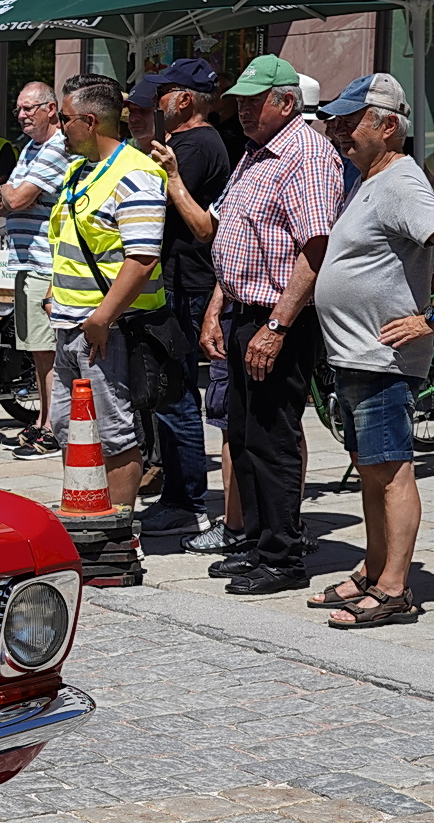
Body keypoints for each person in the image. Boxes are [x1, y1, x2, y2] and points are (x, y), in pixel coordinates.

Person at [184, 55, 344, 595]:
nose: (244, 112)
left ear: (287, 102)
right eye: (241, 103)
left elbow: (316, 248)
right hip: (245, 310)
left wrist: (276, 327)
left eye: (255, 102)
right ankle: (255, 543)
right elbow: (233, 235)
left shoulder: (306, 154)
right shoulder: (256, 152)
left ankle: (282, 556)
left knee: (273, 439)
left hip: (280, 316)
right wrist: (217, 307)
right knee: (245, 435)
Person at [308, 73, 430, 628]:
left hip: (383, 359)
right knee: (371, 471)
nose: (338, 130)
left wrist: (429, 320)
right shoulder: (368, 179)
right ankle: (374, 569)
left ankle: (395, 590)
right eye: (334, 121)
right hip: (355, 355)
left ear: (387, 126)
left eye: (350, 121)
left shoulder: (402, 182)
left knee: (391, 471)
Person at [46, 74, 168, 515]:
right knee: (69, 428)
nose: (60, 128)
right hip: (70, 322)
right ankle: (84, 511)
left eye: (65, 119)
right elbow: (68, 241)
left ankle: (118, 530)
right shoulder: (80, 170)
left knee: (113, 433)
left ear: (91, 121)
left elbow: (142, 259)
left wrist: (102, 318)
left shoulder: (135, 175)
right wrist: (53, 294)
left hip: (107, 329)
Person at [140, 59, 232, 541]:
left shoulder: (195, 145)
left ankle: (186, 500)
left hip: (189, 284)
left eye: (163, 94)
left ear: (185, 99)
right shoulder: (187, 143)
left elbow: (171, 208)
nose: (156, 104)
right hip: (179, 280)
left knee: (175, 391)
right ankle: (179, 493)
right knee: (169, 390)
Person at [0, 81, 74, 461]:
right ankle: (44, 419)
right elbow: (4, 202)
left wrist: (10, 193)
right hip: (28, 261)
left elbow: (15, 197)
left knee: (48, 351)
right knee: (38, 352)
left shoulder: (57, 146)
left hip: (45, 262)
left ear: (51, 109)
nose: (22, 116)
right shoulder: (30, 147)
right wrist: (10, 195)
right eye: (19, 109)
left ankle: (53, 428)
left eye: (29, 108)